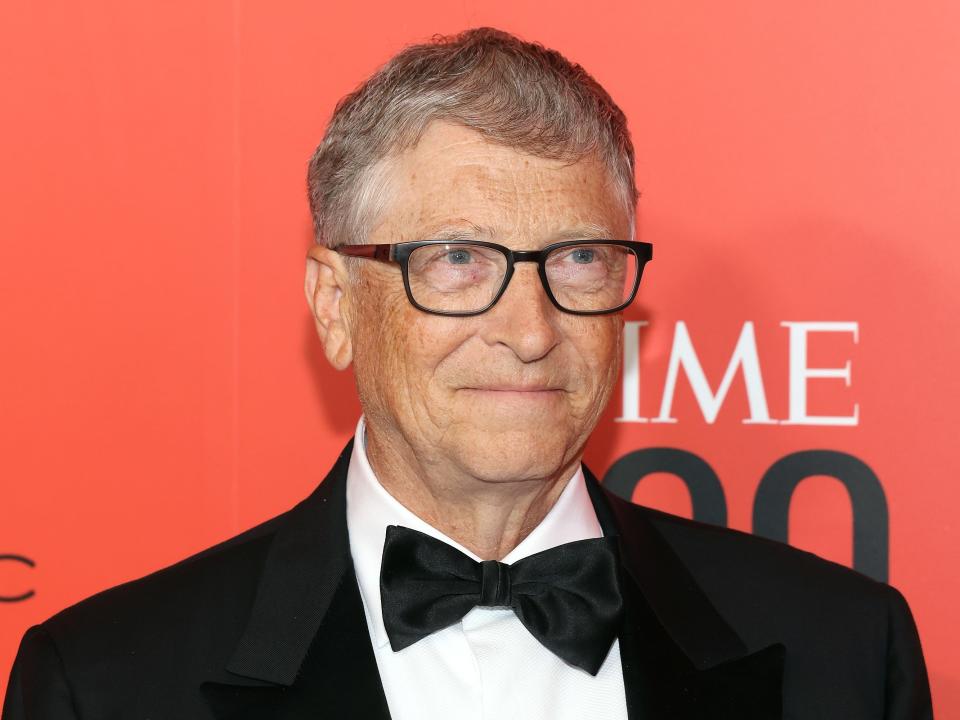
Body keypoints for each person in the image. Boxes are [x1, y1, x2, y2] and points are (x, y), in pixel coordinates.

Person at [2, 26, 932, 720]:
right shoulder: (108, 684)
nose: (530, 332)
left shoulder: (843, 651)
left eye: (576, 258)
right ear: (336, 307)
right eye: (457, 260)